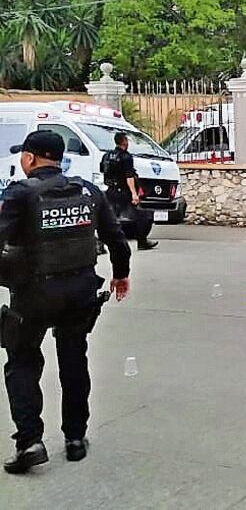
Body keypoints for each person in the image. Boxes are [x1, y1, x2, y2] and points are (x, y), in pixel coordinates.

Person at [1, 131, 131, 474]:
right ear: (60, 158)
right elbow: (116, 239)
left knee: (22, 362)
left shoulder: (21, 193)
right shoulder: (87, 191)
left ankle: (30, 442)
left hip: (33, 294)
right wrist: (121, 275)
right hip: (79, 290)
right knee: (74, 359)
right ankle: (75, 438)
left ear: (29, 158)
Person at [101, 132, 158, 250]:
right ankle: (142, 242)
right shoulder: (126, 157)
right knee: (143, 216)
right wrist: (134, 194)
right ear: (124, 141)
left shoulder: (106, 155)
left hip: (110, 191)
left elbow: (103, 170)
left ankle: (99, 245)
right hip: (123, 192)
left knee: (106, 218)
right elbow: (129, 176)